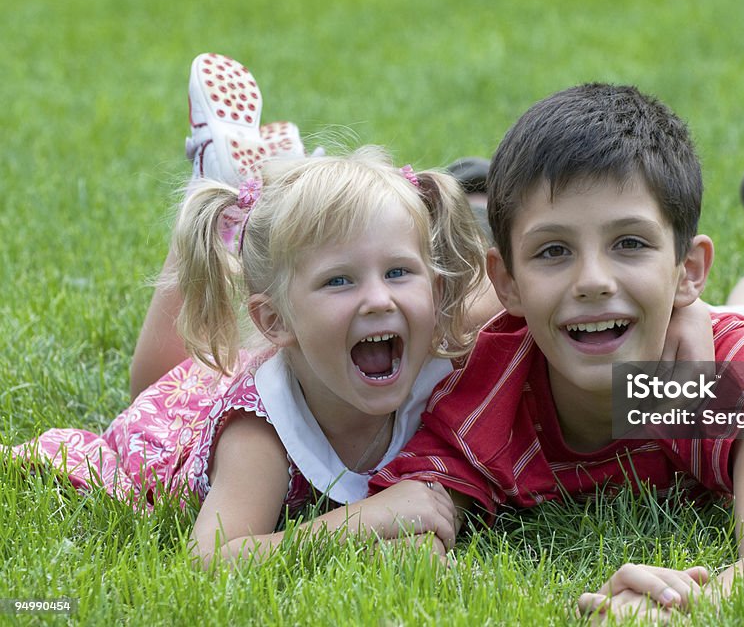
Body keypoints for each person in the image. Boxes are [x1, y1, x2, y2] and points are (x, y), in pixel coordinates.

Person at [368, 83, 744, 621]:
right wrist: (569, 607)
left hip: (712, 336)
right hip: (618, 313)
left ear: (690, 270)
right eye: (554, 250)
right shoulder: (485, 387)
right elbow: (411, 534)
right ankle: (480, 203)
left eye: (629, 242)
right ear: (507, 283)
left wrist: (673, 607)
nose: (592, 280)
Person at [11, 144, 487, 567]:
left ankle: (268, 176)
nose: (380, 299)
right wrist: (364, 519)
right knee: (153, 382)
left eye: (399, 271)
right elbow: (212, 558)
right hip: (175, 424)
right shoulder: (260, 434)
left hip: (273, 367)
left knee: (209, 365)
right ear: (275, 321)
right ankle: (217, 179)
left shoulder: (433, 365)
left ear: (437, 290)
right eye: (339, 280)